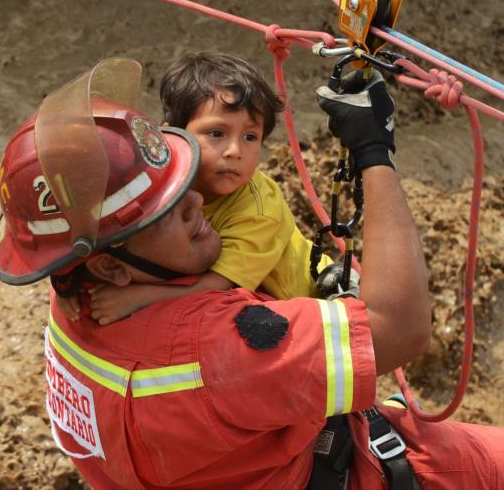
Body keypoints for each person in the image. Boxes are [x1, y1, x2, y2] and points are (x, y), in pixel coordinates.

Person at [0, 57, 504, 489]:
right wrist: (374, 150)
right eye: (166, 208)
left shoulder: (77, 300)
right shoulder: (219, 347)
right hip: (338, 468)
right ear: (108, 261)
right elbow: (402, 328)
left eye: (184, 181)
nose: (196, 201)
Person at [58, 52, 335, 325]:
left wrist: (138, 296)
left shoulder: (259, 210)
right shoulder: (160, 174)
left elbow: (218, 285)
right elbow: (107, 215)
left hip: (312, 297)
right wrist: (66, 279)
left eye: (251, 137)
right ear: (172, 136)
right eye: (217, 133)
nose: (235, 151)